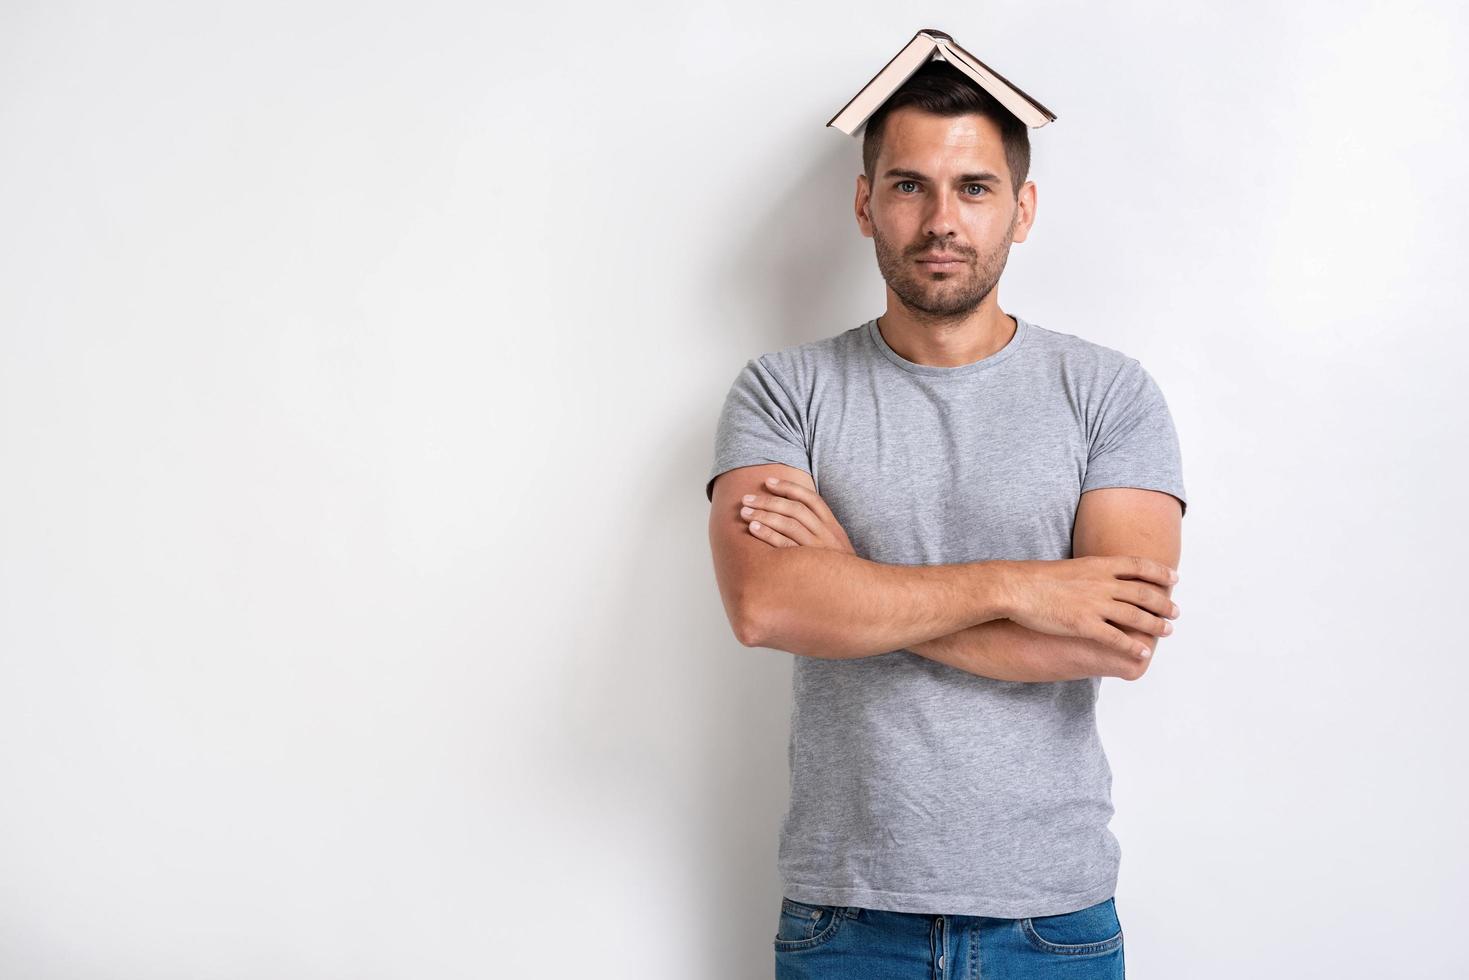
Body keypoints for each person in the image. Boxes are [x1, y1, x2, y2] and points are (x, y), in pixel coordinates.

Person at [704, 59, 1188, 979]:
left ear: (1022, 208)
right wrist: (1027, 588)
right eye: (908, 186)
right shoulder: (783, 392)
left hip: (1052, 922)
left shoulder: (1107, 395)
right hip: (845, 917)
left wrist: (851, 583)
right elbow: (767, 606)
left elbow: (1118, 635)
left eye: (973, 187)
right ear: (863, 205)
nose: (940, 221)